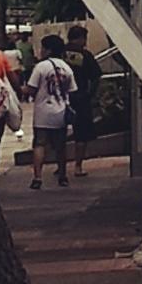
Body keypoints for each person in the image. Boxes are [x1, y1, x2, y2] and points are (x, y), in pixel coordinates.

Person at [24, 33, 76, 189]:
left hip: (42, 112)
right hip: (61, 111)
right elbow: (72, 90)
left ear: (48, 50)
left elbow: (31, 89)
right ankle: (63, 176)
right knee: (60, 146)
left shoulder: (41, 67)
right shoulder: (67, 68)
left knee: (39, 144)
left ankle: (37, 177)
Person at [63, 24, 102, 176]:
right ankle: (78, 166)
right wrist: (90, 94)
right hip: (80, 97)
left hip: (60, 98)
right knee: (81, 134)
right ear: (81, 38)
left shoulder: (60, 53)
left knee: (59, 133)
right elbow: (96, 76)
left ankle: (61, 165)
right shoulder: (85, 55)